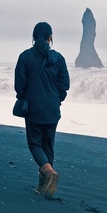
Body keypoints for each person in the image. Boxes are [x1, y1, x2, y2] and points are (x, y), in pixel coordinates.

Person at [14, 22, 70, 198]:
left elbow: (19, 86)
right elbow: (65, 85)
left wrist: (26, 97)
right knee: (48, 145)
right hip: (53, 109)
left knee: (35, 144)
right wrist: (56, 99)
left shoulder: (25, 57)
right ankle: (43, 185)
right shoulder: (58, 58)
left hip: (34, 109)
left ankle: (49, 173)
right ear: (50, 38)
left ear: (33, 37)